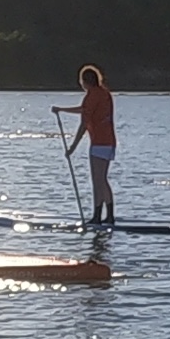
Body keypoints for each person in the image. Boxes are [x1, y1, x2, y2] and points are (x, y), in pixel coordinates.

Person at [52, 63, 118, 226]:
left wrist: (72, 147)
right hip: (109, 142)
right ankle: (109, 216)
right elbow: (84, 110)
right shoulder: (104, 93)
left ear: (85, 81)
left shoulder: (92, 95)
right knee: (102, 179)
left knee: (97, 181)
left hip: (99, 143)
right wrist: (62, 110)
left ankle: (97, 217)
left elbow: (84, 124)